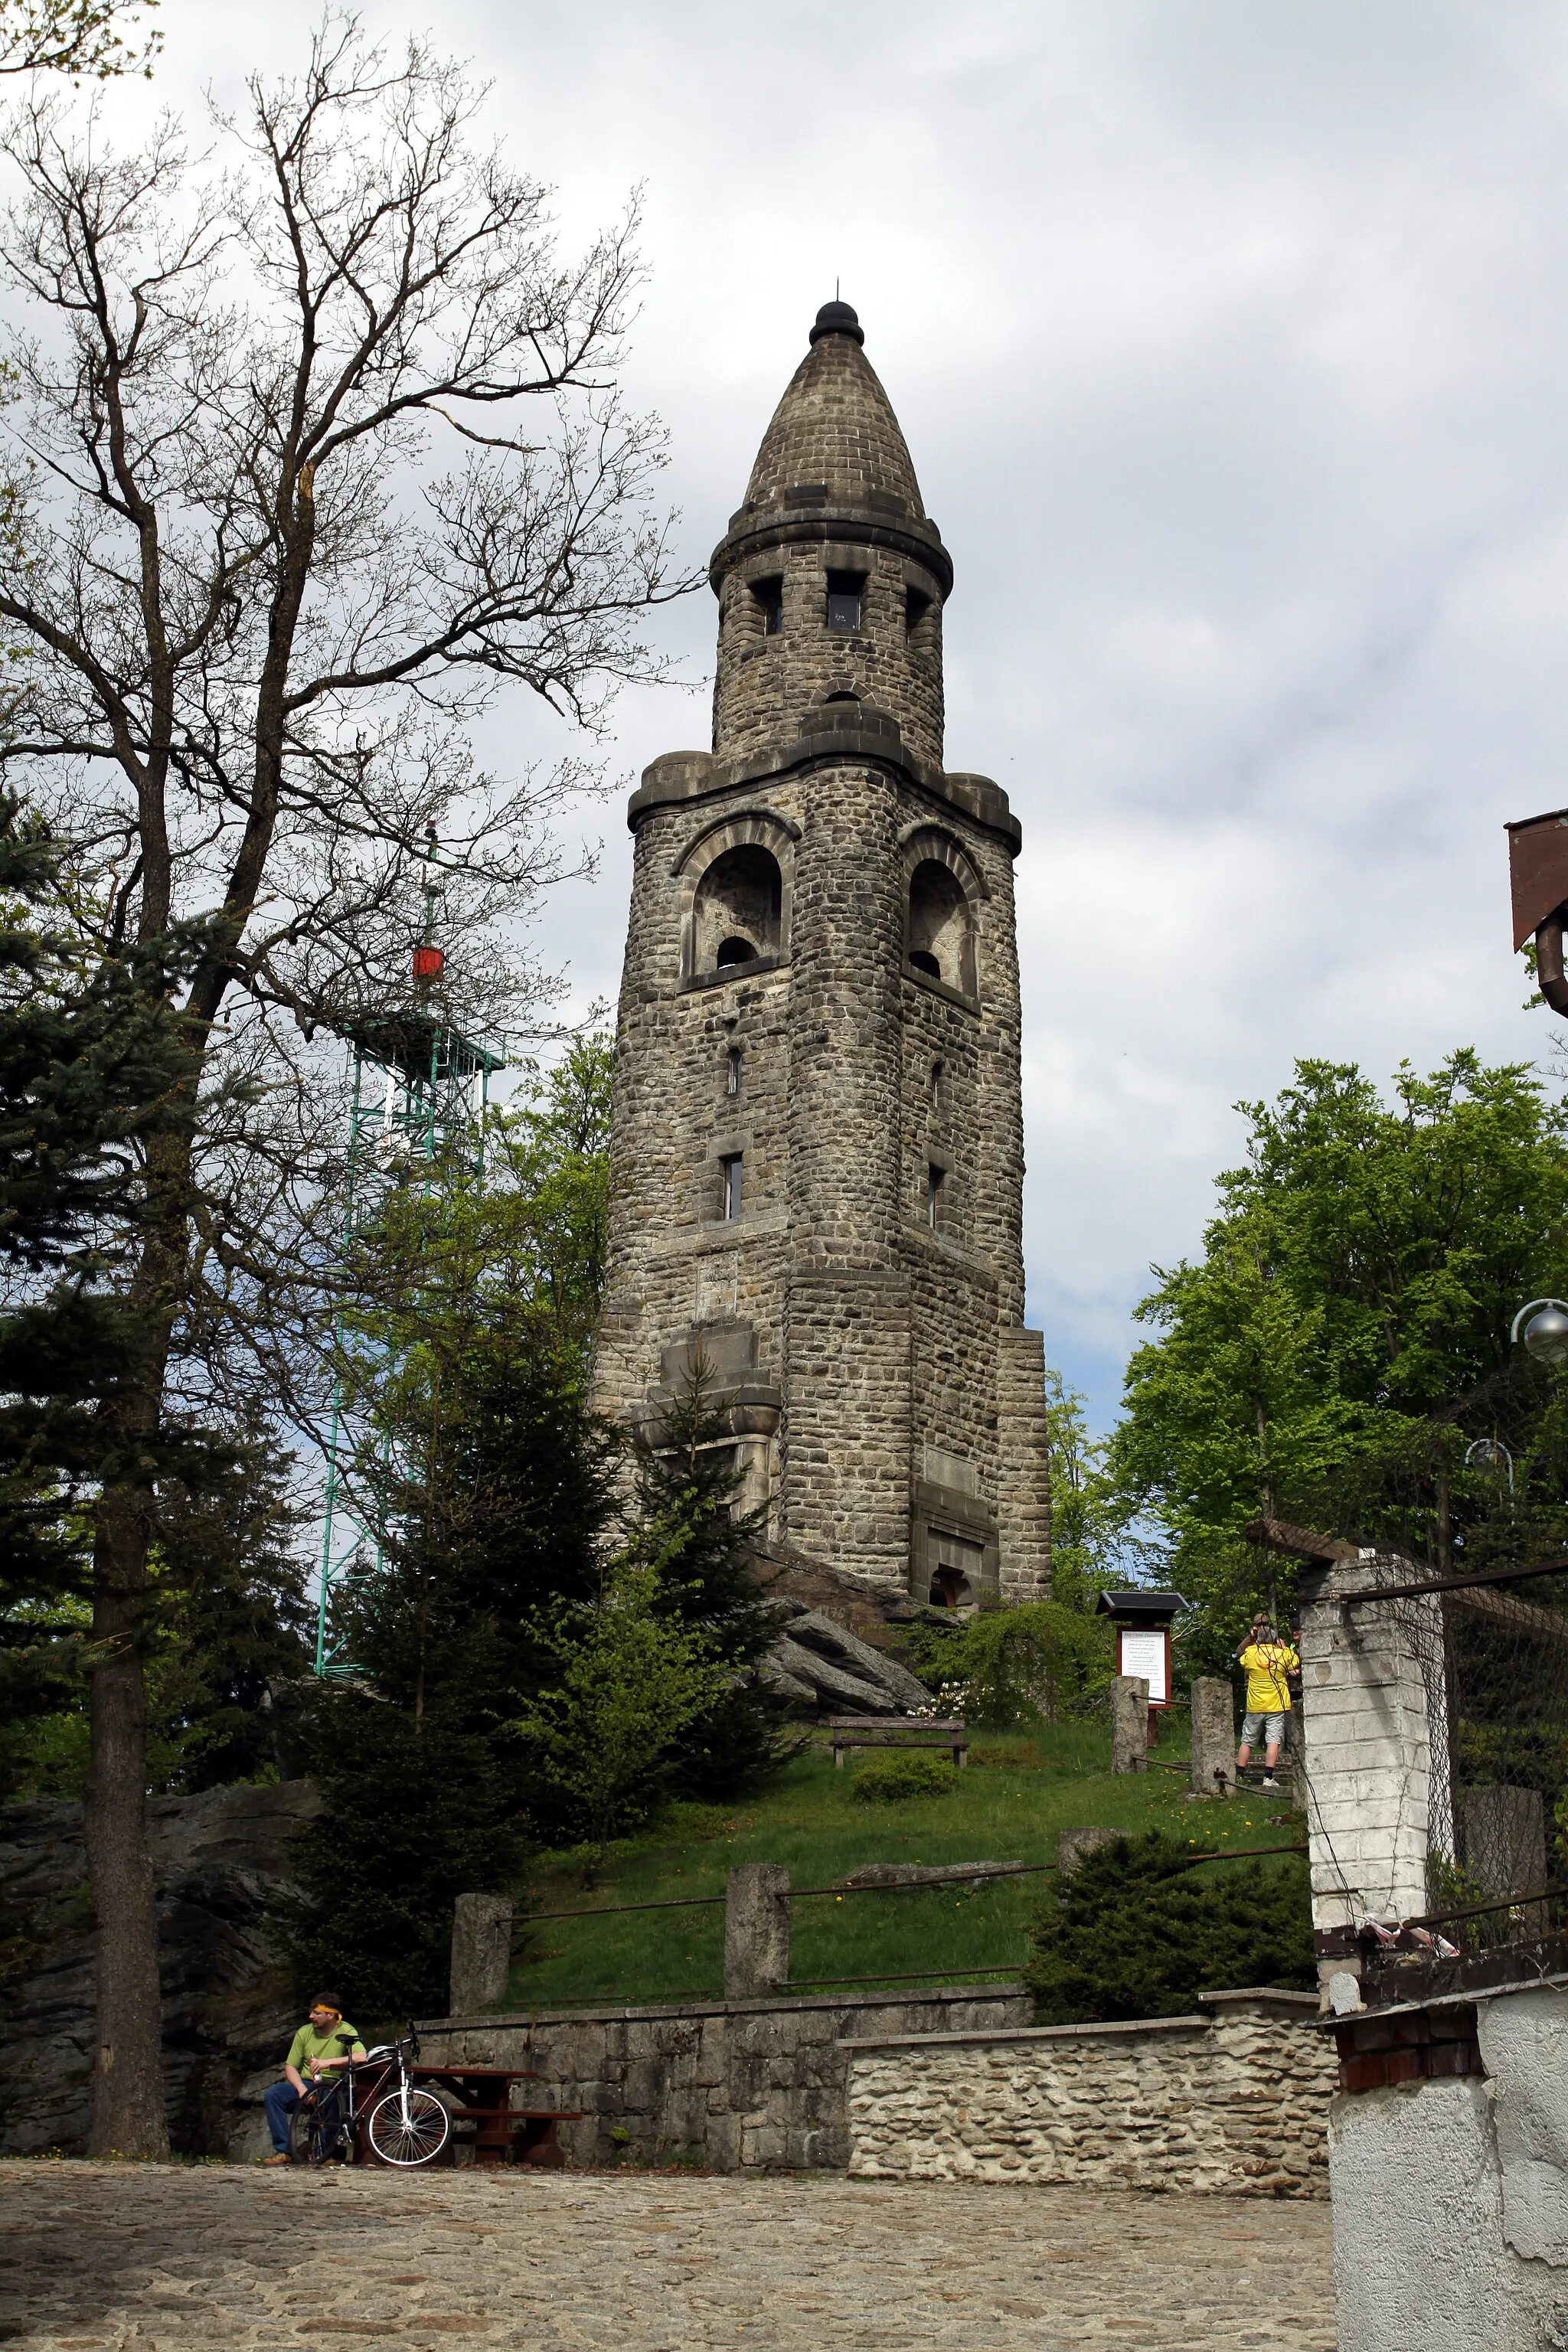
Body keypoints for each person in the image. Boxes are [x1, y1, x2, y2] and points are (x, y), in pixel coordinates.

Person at [262, 1997, 368, 2165]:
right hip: (307, 2084)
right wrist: (302, 2090)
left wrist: (327, 2063)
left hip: (333, 2085)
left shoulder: (346, 2030)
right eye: (311, 2012)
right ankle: (284, 2151)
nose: (311, 2016)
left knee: (337, 2098)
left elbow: (361, 2056)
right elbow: (290, 2067)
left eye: (317, 2013)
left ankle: (328, 2152)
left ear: (331, 2015)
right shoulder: (304, 2032)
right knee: (273, 2095)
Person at [1236, 1614, 1299, 1791]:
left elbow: (1242, 1660)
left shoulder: (1251, 1654)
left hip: (1255, 1704)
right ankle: (1268, 1777)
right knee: (1273, 1741)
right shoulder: (1281, 1655)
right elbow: (1295, 1661)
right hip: (1277, 1704)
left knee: (1247, 1740)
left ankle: (1240, 1774)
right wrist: (1284, 1648)